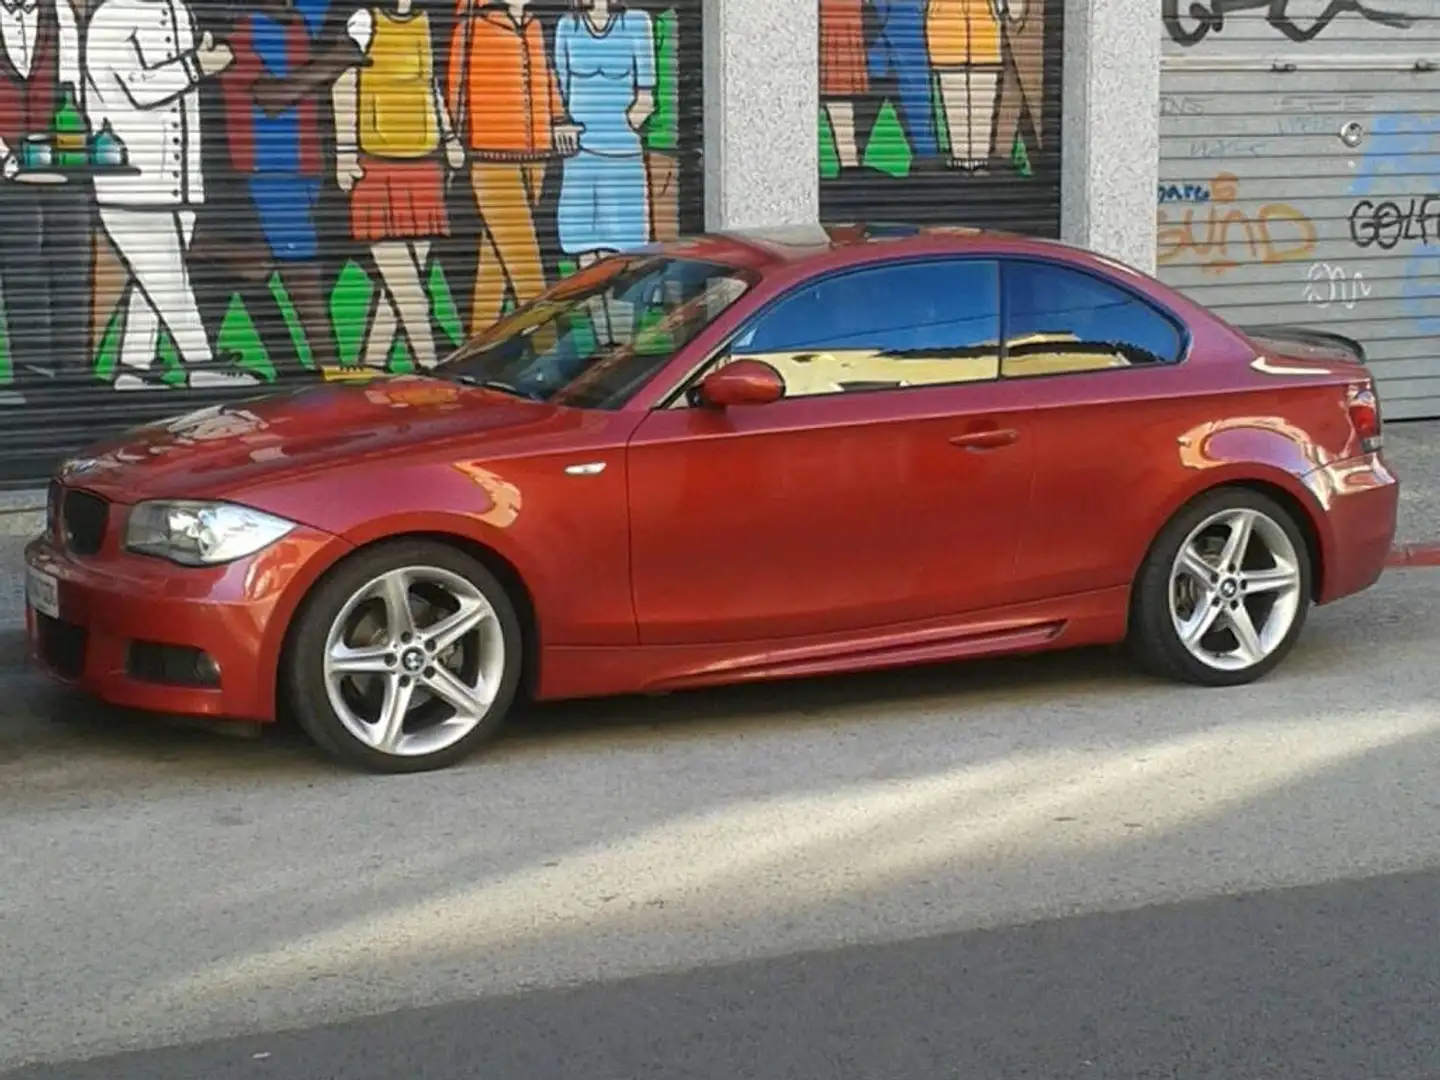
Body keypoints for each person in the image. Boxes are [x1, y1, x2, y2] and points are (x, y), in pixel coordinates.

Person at [84, 0, 258, 389]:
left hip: (178, 179)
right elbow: (136, 89)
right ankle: (201, 364)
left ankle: (133, 367)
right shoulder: (111, 15)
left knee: (156, 277)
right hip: (132, 179)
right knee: (165, 275)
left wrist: (202, 58)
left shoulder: (178, 8)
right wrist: (199, 65)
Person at [198, 0, 365, 377]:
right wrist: (338, 58)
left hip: (307, 168)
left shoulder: (295, 20)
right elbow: (271, 97)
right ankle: (331, 370)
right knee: (303, 278)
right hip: (271, 170)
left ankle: (206, 247)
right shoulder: (241, 31)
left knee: (267, 267)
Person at [335, 0, 464, 370]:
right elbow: (345, 83)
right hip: (378, 167)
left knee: (403, 287)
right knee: (410, 290)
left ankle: (372, 365)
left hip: (422, 166)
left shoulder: (423, 22)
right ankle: (432, 369)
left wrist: (450, 137)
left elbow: (431, 85)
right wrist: (345, 152)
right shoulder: (365, 21)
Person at [445, 0, 565, 337]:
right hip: (490, 153)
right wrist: (453, 139)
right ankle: (550, 350)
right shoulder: (473, 24)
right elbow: (456, 86)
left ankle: (477, 344)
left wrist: (558, 119)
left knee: (495, 264)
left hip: (537, 152)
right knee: (525, 265)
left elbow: (546, 76)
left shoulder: (533, 24)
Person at [0, 0, 88, 394]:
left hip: (61, 166)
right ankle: (33, 378)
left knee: (72, 268)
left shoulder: (59, 13)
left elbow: (74, 84)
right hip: (7, 175)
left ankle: (74, 376)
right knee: (24, 276)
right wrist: (5, 159)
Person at [553, 0, 655, 267]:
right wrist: (563, 123)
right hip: (581, 158)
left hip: (623, 158)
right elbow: (558, 91)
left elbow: (646, 97)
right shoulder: (568, 26)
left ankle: (619, 309)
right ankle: (592, 310)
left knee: (622, 252)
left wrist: (630, 121)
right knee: (583, 247)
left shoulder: (636, 23)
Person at [926, 0, 1027, 171]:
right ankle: (961, 157)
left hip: (983, 37)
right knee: (955, 103)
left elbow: (1015, 9)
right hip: (947, 35)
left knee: (983, 104)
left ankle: (979, 158)